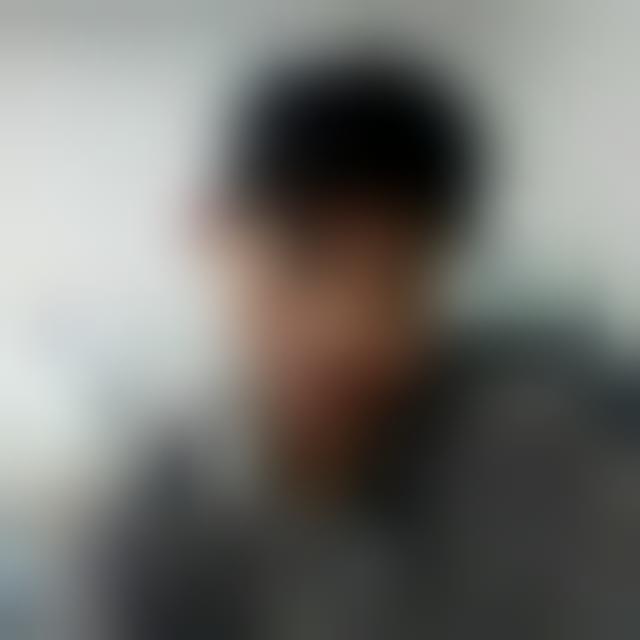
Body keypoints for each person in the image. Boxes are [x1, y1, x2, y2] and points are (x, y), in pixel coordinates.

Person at [89, 52, 607, 640]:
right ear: (212, 237)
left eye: (397, 279)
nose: (351, 330)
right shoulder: (149, 519)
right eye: (305, 262)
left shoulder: (541, 470)